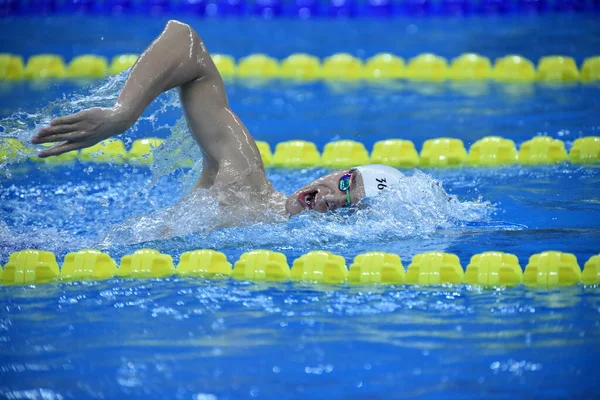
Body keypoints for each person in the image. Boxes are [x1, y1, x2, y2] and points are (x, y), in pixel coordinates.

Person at [31, 20, 405, 217]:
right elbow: (186, 42)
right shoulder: (243, 179)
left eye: (349, 211)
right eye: (345, 185)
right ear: (333, 173)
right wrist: (122, 114)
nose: (333, 201)